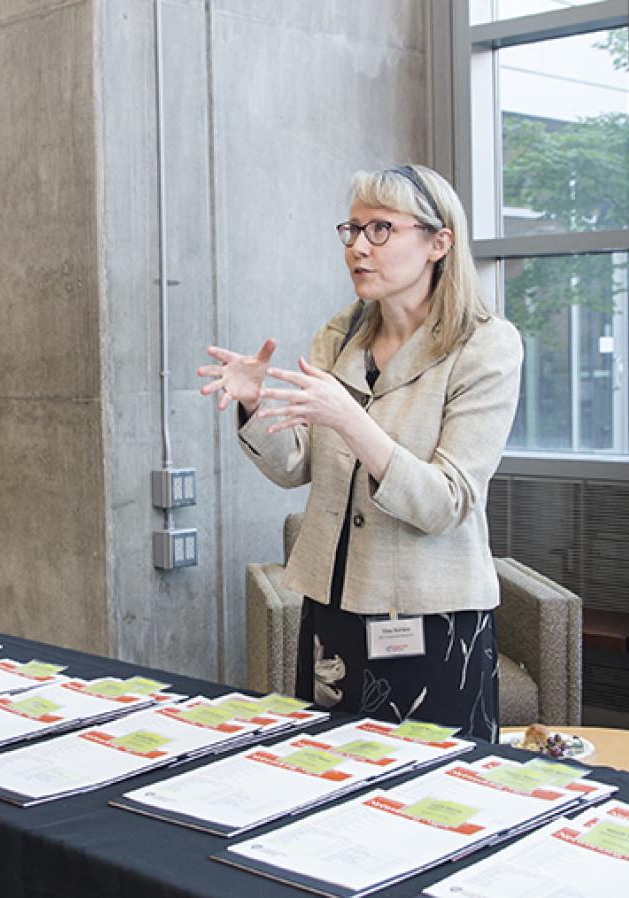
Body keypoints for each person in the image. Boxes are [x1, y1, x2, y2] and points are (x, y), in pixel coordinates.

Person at [198, 164, 522, 741]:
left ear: (438, 243)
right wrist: (253, 405)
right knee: (329, 779)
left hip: (432, 617)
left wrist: (351, 420)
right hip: (336, 608)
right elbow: (298, 464)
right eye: (351, 230)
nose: (357, 248)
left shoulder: (485, 344)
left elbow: (447, 502)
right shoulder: (341, 333)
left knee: (432, 800)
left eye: (380, 230)